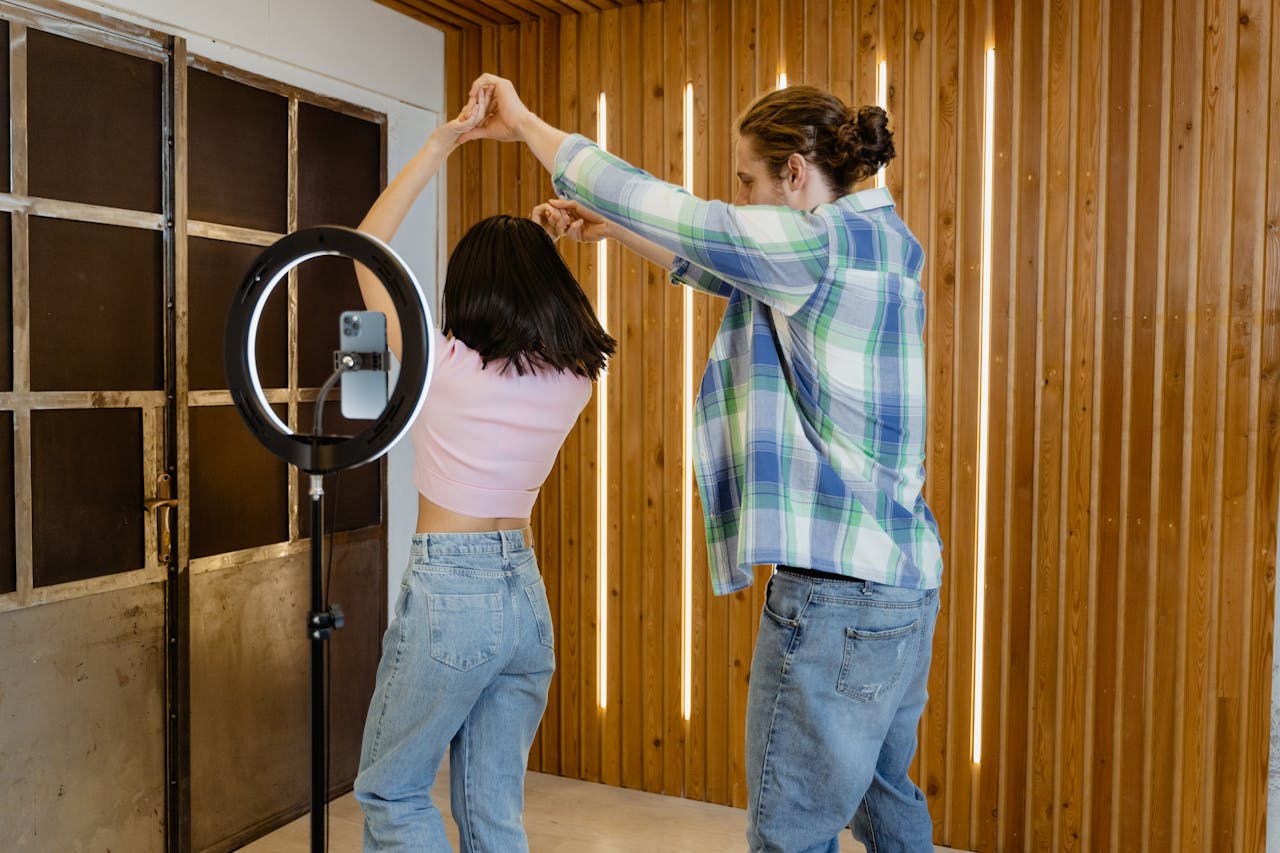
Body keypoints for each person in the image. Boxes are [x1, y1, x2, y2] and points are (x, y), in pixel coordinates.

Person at [462, 75, 944, 853]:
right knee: (888, 801)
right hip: (903, 586)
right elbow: (716, 261)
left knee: (790, 834)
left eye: (749, 182)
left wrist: (525, 123)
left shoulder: (812, 245)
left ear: (794, 172)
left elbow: (682, 216)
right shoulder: (881, 240)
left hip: (837, 601)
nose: (744, 198)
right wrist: (612, 231)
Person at [349, 89, 616, 852]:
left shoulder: (443, 363)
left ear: (462, 291)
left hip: (450, 591)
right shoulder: (573, 375)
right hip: (523, 599)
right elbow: (538, 305)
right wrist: (540, 243)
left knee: (393, 789)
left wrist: (442, 145)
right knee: (492, 810)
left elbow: (365, 246)